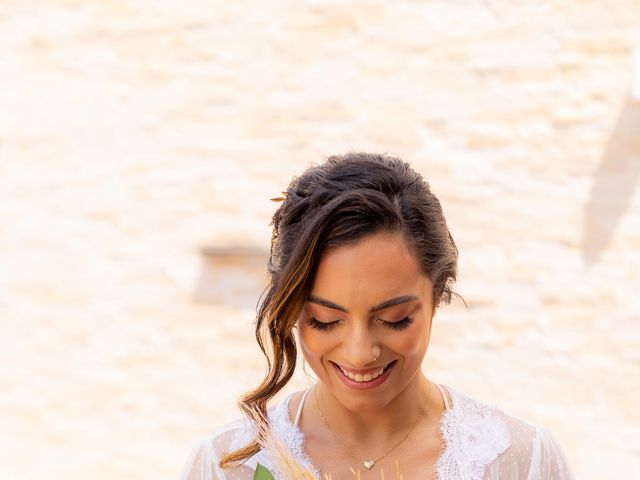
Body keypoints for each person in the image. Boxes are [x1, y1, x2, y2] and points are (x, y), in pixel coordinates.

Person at [181, 153, 575, 480]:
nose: (359, 353)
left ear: (437, 297)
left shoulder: (523, 461)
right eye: (323, 319)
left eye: (395, 318)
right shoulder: (226, 466)